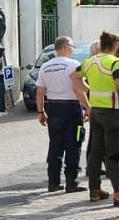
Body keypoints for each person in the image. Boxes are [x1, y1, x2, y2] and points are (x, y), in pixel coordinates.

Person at [71, 30, 119, 207]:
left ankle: (95, 190)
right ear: (115, 45)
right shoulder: (115, 63)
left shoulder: (90, 61)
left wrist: (87, 92)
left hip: (96, 111)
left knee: (96, 152)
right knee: (112, 155)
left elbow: (73, 77)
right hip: (113, 113)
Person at [36, 36, 89, 192]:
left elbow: (40, 92)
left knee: (55, 145)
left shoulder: (45, 66)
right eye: (72, 46)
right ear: (65, 47)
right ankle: (71, 182)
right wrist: (87, 107)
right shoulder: (73, 65)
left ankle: (53, 182)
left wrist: (41, 111)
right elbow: (77, 89)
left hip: (53, 107)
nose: (73, 49)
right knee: (74, 144)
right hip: (71, 108)